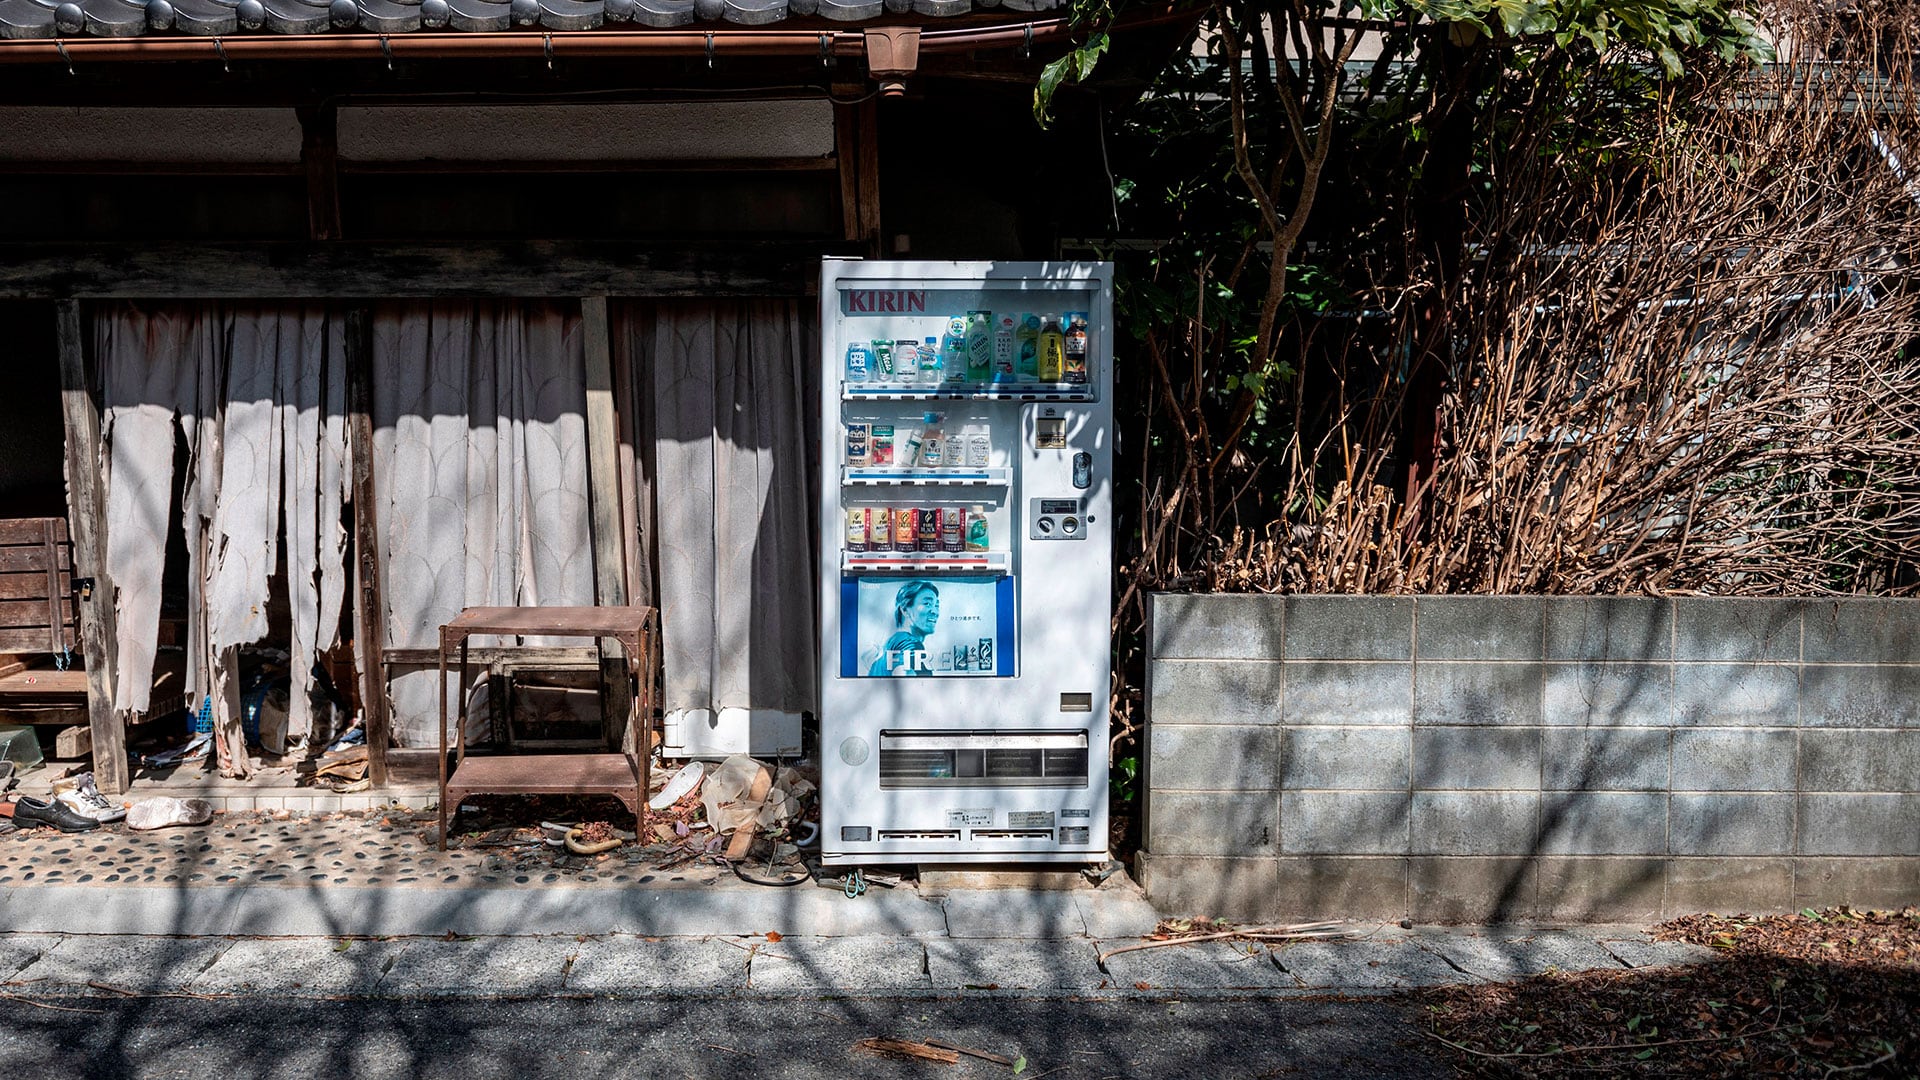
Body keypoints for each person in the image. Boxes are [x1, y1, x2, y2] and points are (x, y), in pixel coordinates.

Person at [868, 580, 939, 676]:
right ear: (905, 610)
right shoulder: (910, 644)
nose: (934, 611)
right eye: (927, 604)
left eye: (936, 605)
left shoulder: (887, 648)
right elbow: (903, 678)